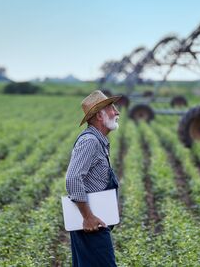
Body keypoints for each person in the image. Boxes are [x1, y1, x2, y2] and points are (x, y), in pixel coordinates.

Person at [65, 90, 121, 267]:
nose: (117, 112)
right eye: (112, 108)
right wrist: (88, 216)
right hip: (91, 225)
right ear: (99, 115)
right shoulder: (90, 141)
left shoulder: (99, 141)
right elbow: (73, 179)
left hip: (94, 224)